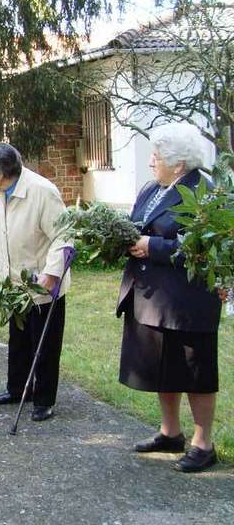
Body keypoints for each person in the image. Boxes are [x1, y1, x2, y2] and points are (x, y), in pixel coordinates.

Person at [118, 123, 221, 472]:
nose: (150, 162)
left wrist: (154, 247)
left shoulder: (204, 190)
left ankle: (203, 444)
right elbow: (139, 224)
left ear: (179, 164)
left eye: (157, 156)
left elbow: (205, 246)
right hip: (153, 297)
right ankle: (170, 432)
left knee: (195, 372)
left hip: (187, 301)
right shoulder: (154, 188)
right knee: (163, 368)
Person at [0, 142, 71, 423]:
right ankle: (18, 389)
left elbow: (63, 236)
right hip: (13, 284)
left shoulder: (42, 191)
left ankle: (44, 399)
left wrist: (52, 274)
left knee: (44, 344)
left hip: (43, 285)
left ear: (1, 172)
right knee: (18, 341)